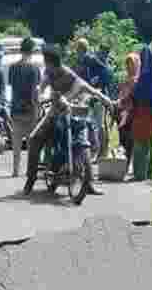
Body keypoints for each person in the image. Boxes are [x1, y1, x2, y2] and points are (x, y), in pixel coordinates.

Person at [23, 44, 116, 196]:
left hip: (73, 116)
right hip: (54, 115)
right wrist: (40, 94)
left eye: (47, 63)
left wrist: (107, 101)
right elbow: (42, 86)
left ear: (52, 63)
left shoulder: (68, 74)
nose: (46, 67)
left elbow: (87, 87)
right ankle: (31, 179)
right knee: (34, 140)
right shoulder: (49, 73)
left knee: (85, 141)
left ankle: (89, 183)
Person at [119, 44, 152, 182]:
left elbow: (137, 93)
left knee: (140, 142)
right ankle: (148, 173)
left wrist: (126, 99)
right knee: (150, 142)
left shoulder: (144, 77)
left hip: (143, 112)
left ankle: (140, 174)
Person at [8, 36, 41, 179]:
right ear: (32, 51)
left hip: (16, 107)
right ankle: (29, 171)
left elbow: (12, 86)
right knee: (31, 142)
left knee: (16, 140)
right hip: (30, 108)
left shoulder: (12, 67)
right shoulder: (34, 68)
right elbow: (35, 90)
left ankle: (15, 170)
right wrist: (38, 107)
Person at [117, 50, 140, 172]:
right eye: (128, 63)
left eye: (131, 63)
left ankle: (127, 164)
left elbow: (130, 94)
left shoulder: (137, 79)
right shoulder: (126, 78)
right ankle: (122, 164)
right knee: (122, 138)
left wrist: (121, 99)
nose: (129, 66)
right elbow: (122, 92)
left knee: (129, 139)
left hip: (132, 113)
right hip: (122, 112)